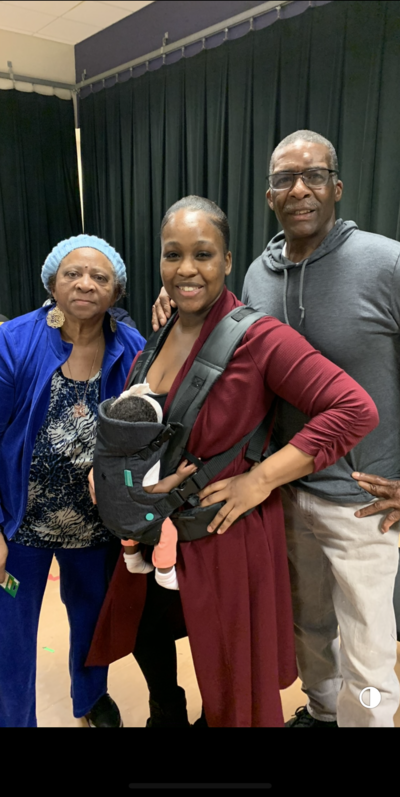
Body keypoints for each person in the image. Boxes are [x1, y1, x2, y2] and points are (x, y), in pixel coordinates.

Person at [86, 195, 379, 728]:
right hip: (158, 534)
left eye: (202, 254)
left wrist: (260, 480)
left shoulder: (260, 338)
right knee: (147, 631)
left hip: (223, 536)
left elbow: (354, 409)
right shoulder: (158, 336)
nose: (186, 269)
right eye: (173, 254)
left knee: (232, 684)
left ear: (226, 260)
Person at [152, 132, 400, 728]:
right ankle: (321, 711)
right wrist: (180, 300)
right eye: (285, 179)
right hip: (284, 492)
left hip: (364, 497)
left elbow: (352, 406)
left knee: (368, 650)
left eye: (314, 176)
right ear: (269, 196)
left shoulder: (386, 263)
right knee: (309, 628)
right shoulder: (257, 276)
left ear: (337, 187)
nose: (299, 189)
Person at [0, 233, 145, 728]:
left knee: (91, 621)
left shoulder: (132, 349)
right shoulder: (12, 342)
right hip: (20, 523)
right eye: (73, 273)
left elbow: (143, 431)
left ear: (116, 291)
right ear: (52, 283)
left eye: (100, 277)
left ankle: (90, 699)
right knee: (11, 633)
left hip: (94, 525)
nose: (85, 283)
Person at [102, 384, 197, 589]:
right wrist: (179, 476)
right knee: (166, 530)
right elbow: (154, 488)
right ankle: (165, 573)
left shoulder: (109, 446)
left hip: (113, 511)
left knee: (126, 529)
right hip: (138, 513)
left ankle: (132, 559)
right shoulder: (143, 461)